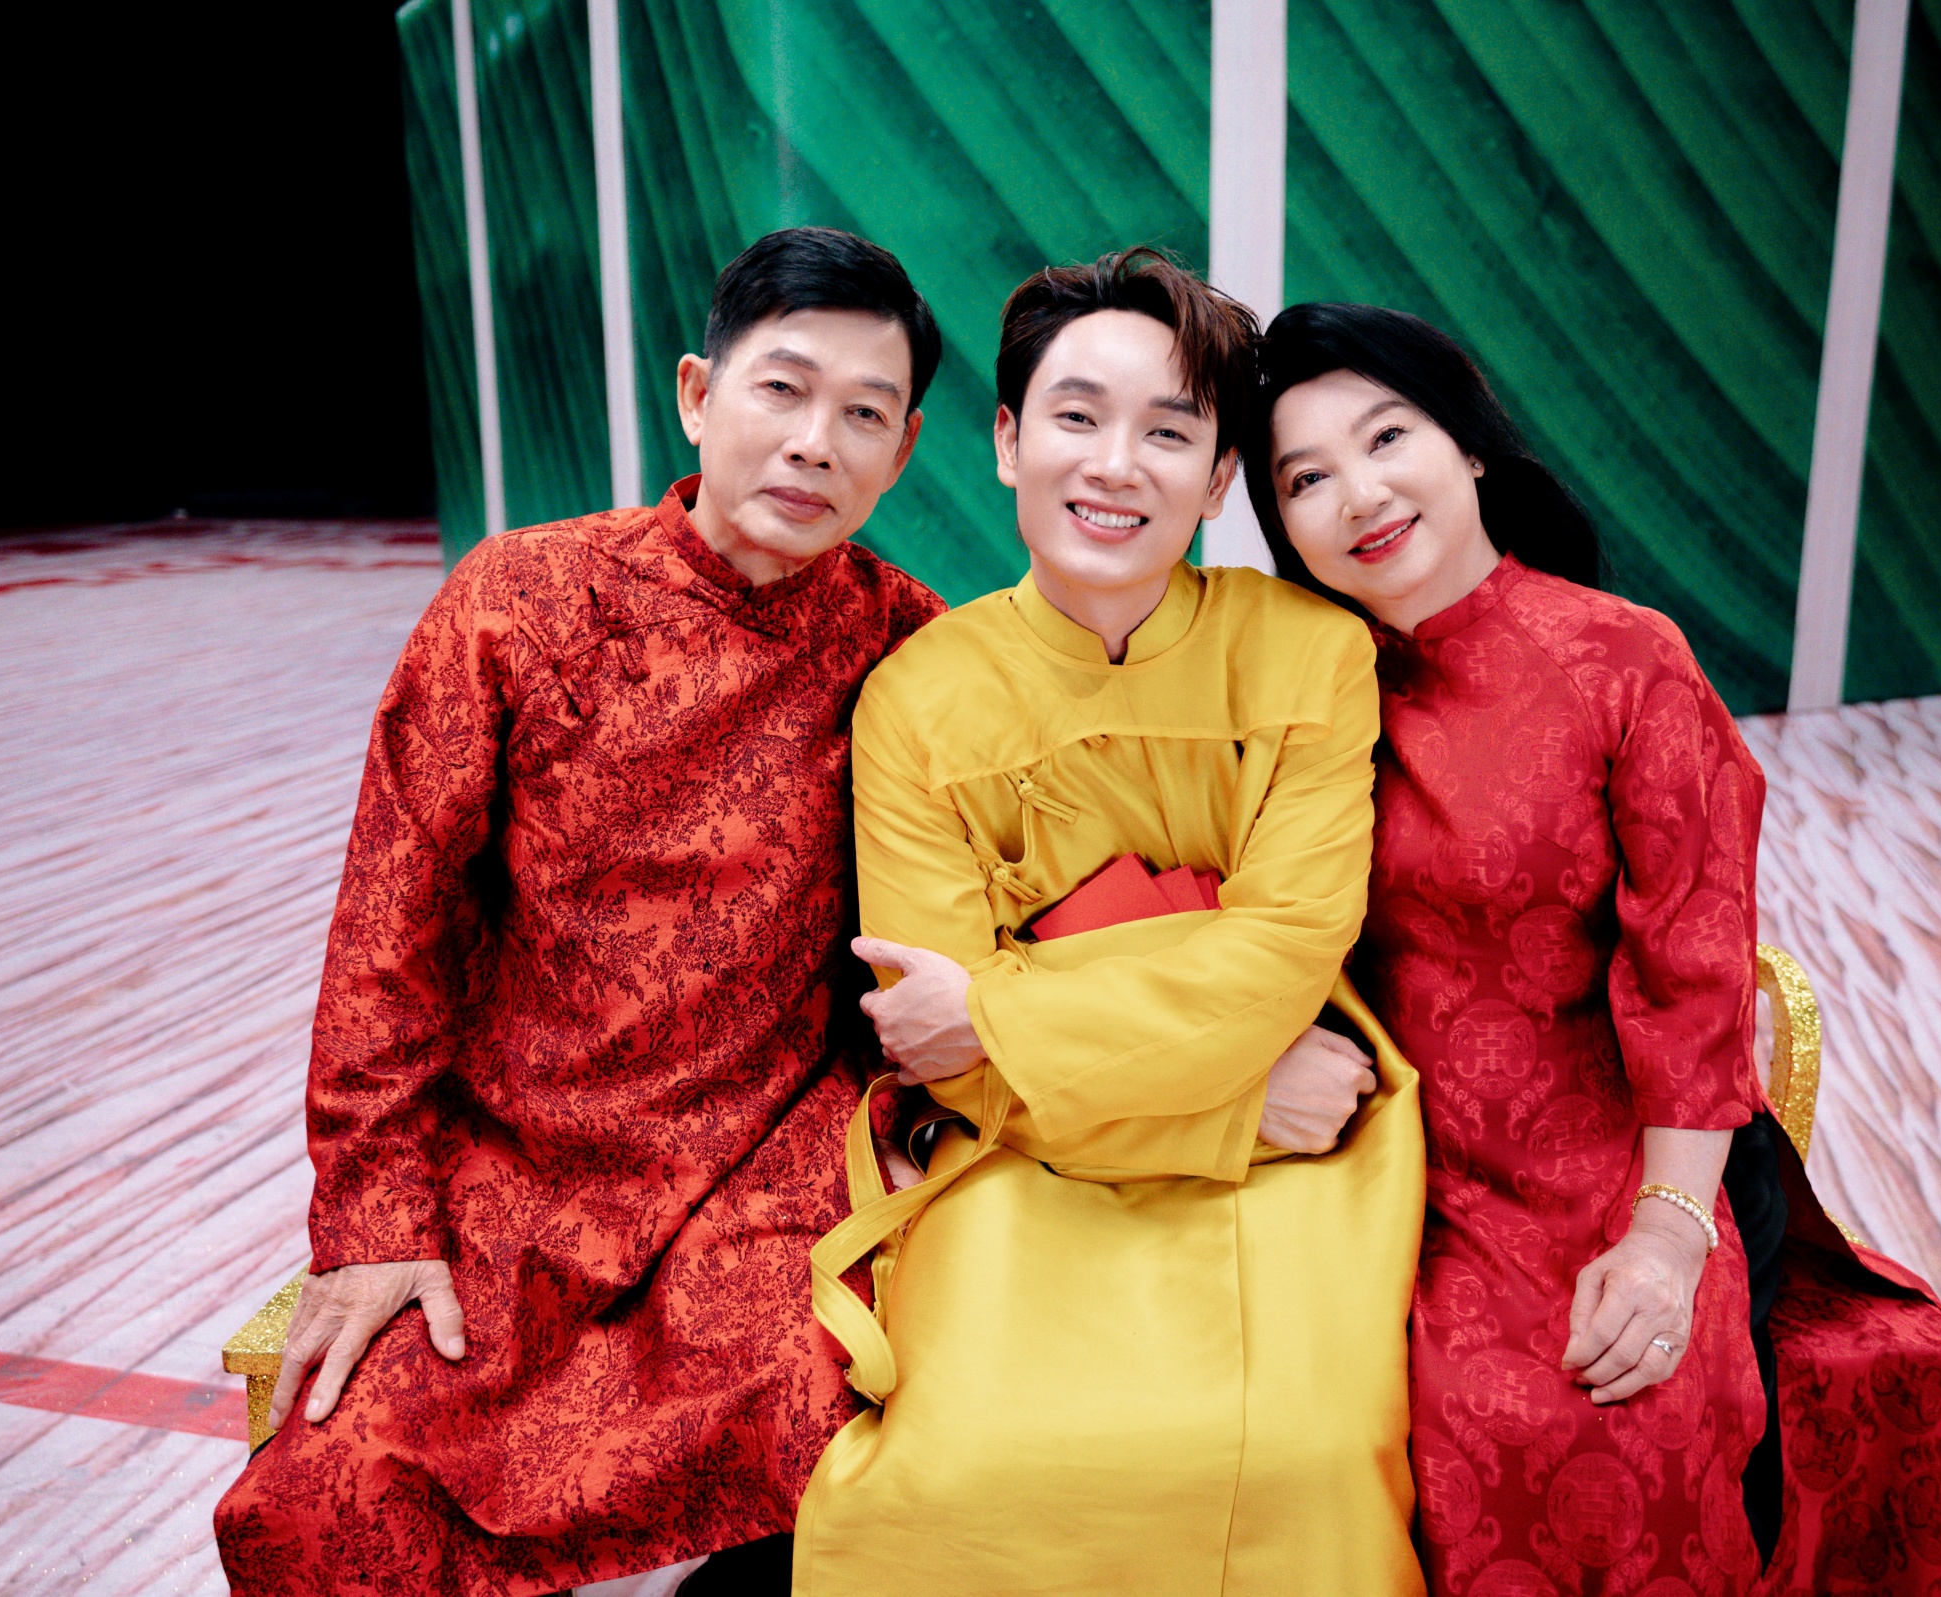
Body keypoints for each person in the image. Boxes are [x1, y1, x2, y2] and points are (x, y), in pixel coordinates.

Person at [1246, 301, 1941, 1596]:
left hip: (1610, 1144)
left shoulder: (1626, 661)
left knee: (1591, 1422)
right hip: (1385, 1152)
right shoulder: (1297, 683)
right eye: (1307, 479)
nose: (1361, 495)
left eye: (1388, 437)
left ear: (1471, 447)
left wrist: (1670, 1237)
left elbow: (1695, 970)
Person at [213, 227, 946, 1597]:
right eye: (783, 389)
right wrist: (376, 1224)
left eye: (865, 415)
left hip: (766, 1159)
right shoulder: (515, 602)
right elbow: (388, 939)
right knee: (327, 1498)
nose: (816, 444)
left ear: (902, 454)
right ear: (697, 397)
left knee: (829, 1430)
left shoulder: (912, 646)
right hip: (516, 1163)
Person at [790, 250, 1429, 1595]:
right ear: (1007, 442)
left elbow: (1284, 949)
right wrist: (1224, 1106)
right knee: (965, 1464)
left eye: (1171, 433)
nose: (1116, 465)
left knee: (1310, 1453)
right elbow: (944, 1054)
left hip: (1304, 1134)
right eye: (1076, 417)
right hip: (1047, 1146)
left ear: (1220, 476)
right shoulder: (915, 700)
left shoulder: (1312, 653)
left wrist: (1002, 1006)